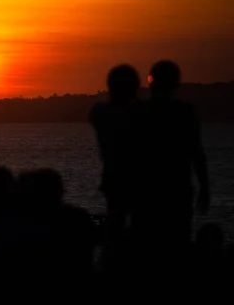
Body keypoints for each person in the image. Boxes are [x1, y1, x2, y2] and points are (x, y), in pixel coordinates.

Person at [133, 60, 210, 264]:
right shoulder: (185, 112)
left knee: (146, 249)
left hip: (146, 193)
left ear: (151, 81)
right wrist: (205, 186)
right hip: (177, 191)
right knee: (177, 247)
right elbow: (197, 151)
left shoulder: (140, 112)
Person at [89, 64, 144, 270]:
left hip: (114, 182)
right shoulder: (141, 115)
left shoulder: (100, 113)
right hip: (140, 184)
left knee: (115, 228)